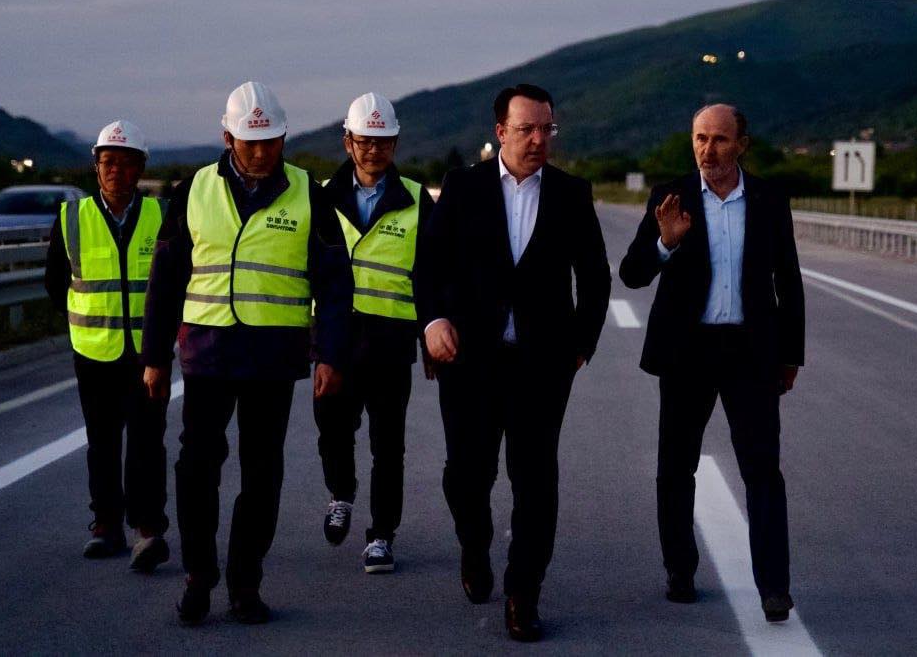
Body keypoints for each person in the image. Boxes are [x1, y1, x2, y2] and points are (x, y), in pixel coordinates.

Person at [141, 81, 352, 626]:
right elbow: (166, 278)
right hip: (207, 354)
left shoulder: (308, 194)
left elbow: (335, 284)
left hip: (272, 359)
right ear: (227, 137)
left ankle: (245, 583)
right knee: (196, 468)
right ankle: (198, 576)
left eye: (271, 141)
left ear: (284, 138)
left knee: (262, 474)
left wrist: (331, 354)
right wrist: (154, 357)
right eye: (250, 142)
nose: (261, 152)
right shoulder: (194, 190)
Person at [415, 83, 611, 642]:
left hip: (541, 367)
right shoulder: (463, 186)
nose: (538, 139)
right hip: (468, 361)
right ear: (501, 132)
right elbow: (429, 265)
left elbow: (595, 277)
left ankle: (524, 594)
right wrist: (433, 322)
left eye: (547, 129)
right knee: (466, 475)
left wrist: (580, 345)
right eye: (527, 129)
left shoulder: (571, 194)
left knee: (536, 481)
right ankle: (474, 546)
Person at [618, 103, 804, 622]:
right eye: (700, 138)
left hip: (750, 352)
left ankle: (774, 587)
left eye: (720, 139)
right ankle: (680, 570)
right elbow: (631, 274)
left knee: (762, 470)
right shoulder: (670, 197)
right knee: (676, 467)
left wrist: (791, 354)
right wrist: (665, 243)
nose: (708, 149)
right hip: (688, 352)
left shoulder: (768, 199)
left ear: (741, 144)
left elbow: (787, 281)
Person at [314, 91, 434, 574]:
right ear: (347, 142)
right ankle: (341, 494)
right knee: (333, 430)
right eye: (364, 140)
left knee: (389, 447)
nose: (373, 150)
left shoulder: (416, 200)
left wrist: (430, 332)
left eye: (382, 141)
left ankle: (382, 535)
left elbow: (431, 274)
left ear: (395, 143)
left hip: (390, 343)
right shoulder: (321, 198)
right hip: (336, 341)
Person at [44, 119, 170, 571]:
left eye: (125, 162)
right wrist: (88, 324)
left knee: (147, 442)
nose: (116, 170)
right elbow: (56, 283)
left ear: (141, 168)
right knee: (101, 442)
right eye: (108, 161)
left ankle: (148, 527)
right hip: (94, 352)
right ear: (96, 166)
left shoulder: (162, 215)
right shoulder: (71, 218)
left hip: (148, 353)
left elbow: (175, 281)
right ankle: (106, 525)